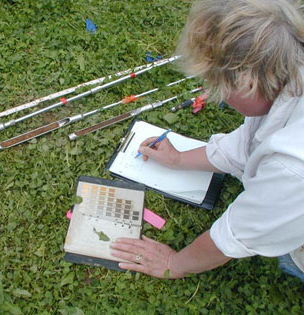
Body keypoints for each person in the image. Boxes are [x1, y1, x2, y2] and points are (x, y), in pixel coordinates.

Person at [110, 0, 304, 282]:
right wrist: (178, 160)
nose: (219, 96)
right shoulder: (288, 65)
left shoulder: (292, 167)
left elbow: (238, 232)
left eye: (219, 87)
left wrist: (174, 262)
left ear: (247, 82)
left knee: (289, 256)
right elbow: (248, 144)